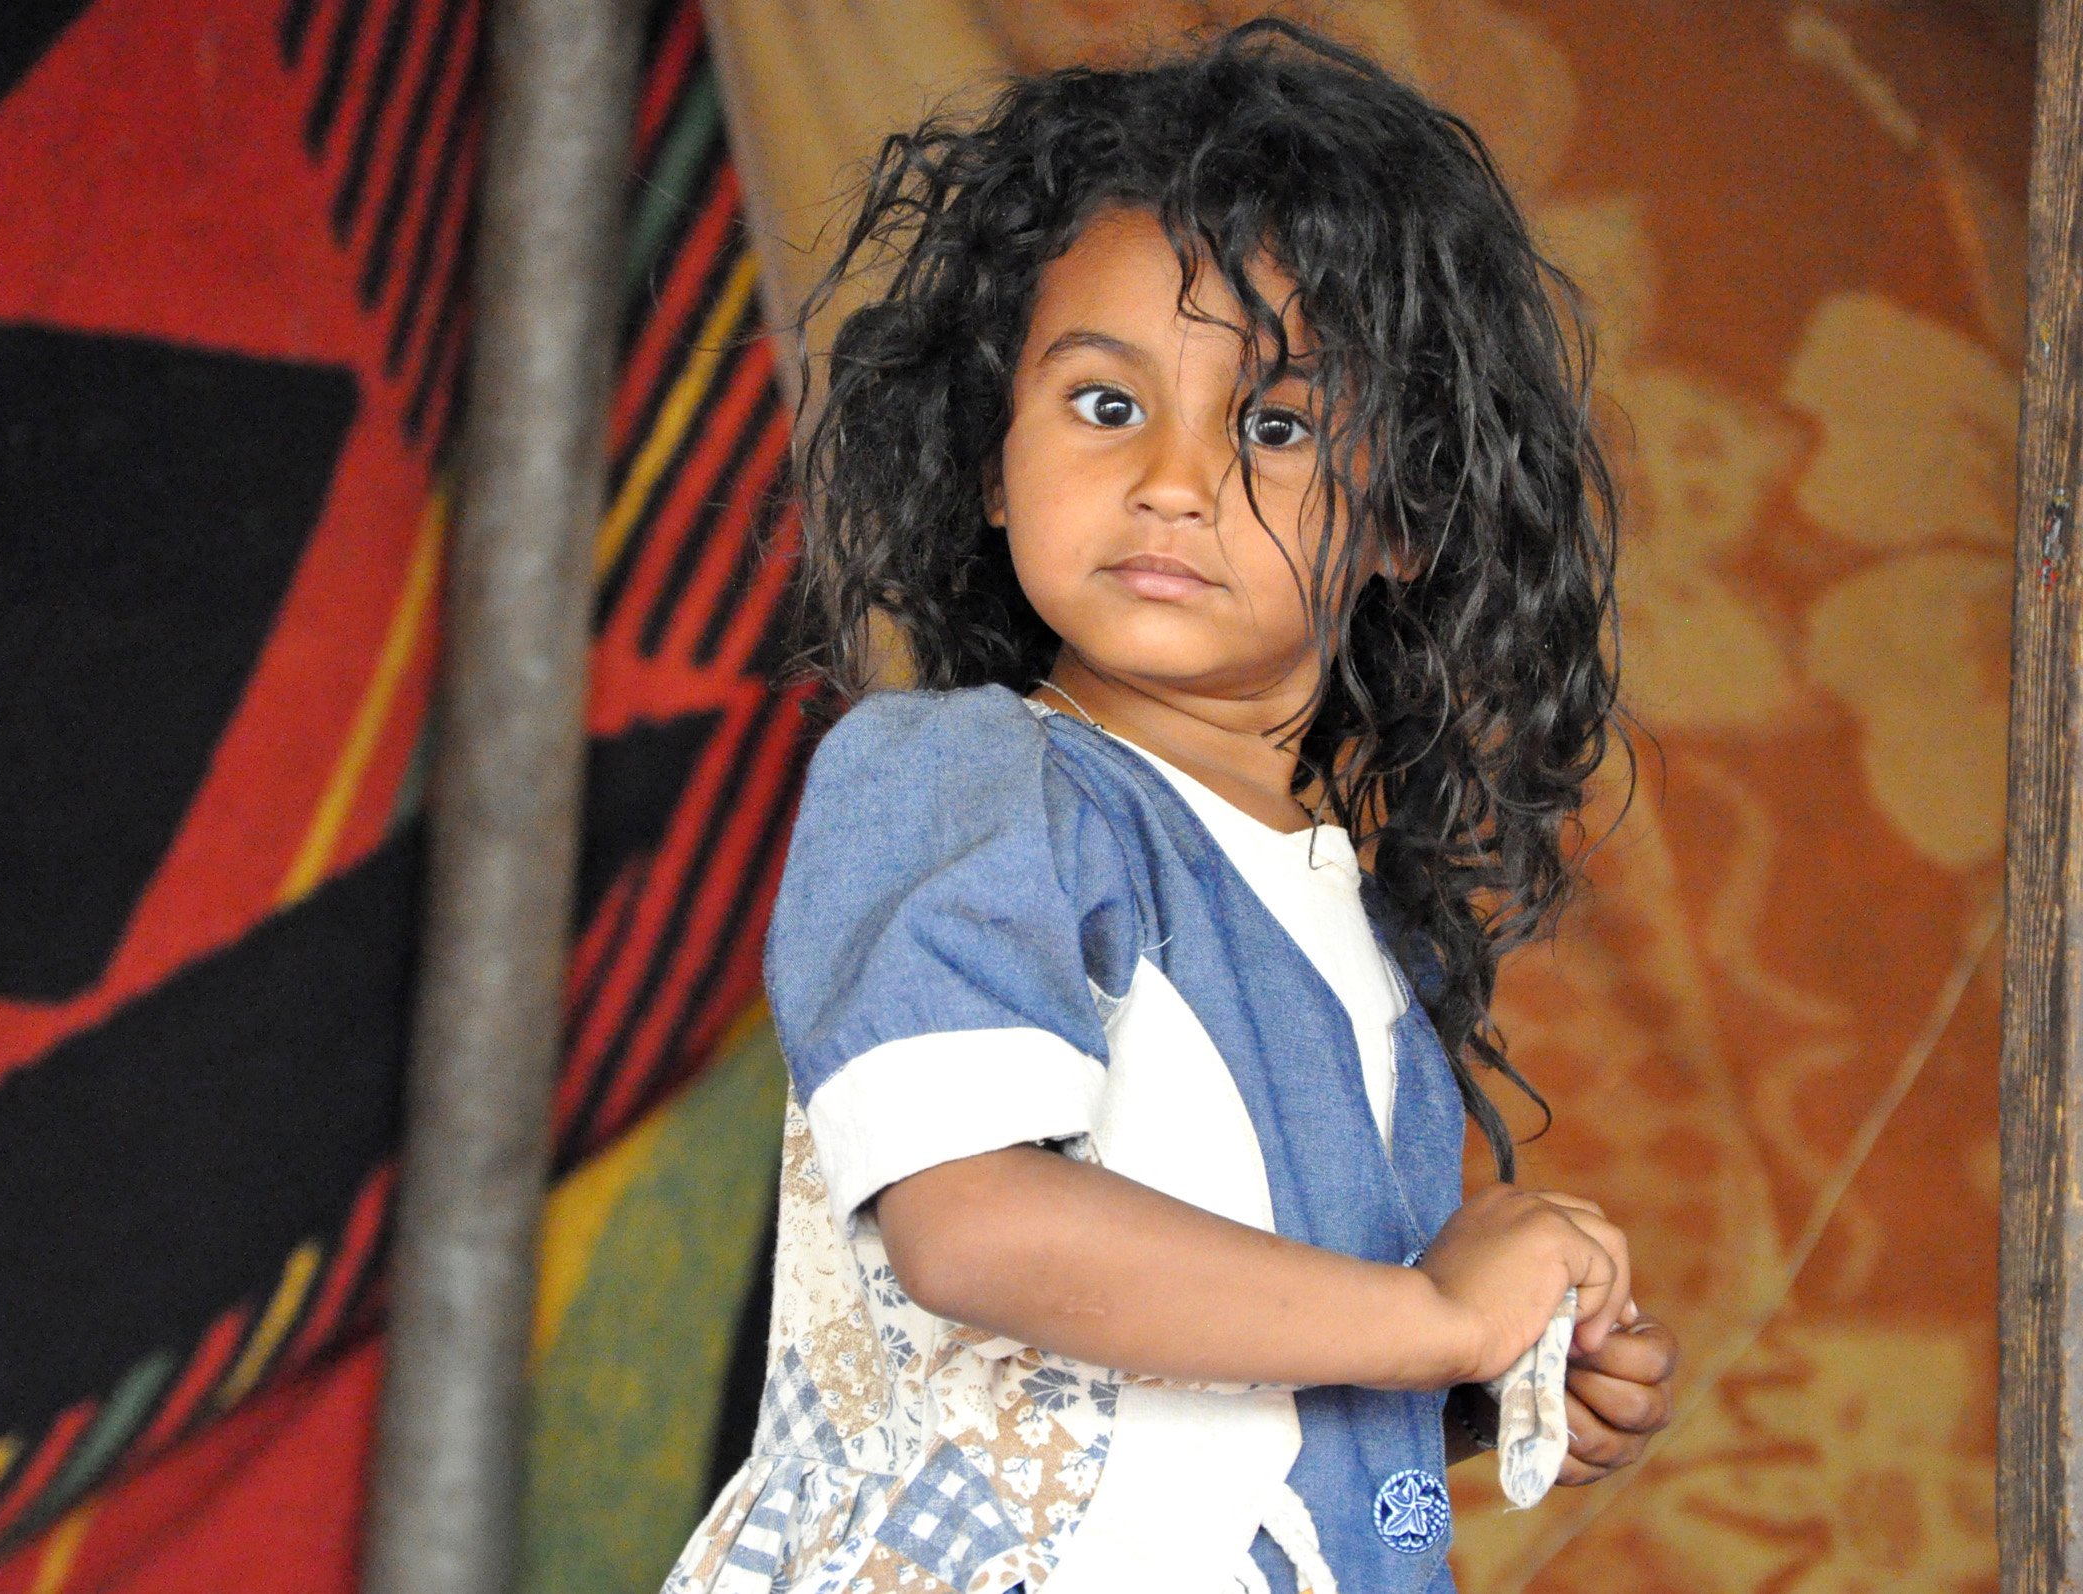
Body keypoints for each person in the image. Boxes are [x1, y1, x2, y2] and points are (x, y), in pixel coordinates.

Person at [668, 18, 1679, 1593]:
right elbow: (976, 1229)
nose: (1174, 480)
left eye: (1272, 426)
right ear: (994, 459)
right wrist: (1426, 1317)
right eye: (1102, 403)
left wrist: (1481, 1384)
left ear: (1403, 516)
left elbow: (1239, 1382)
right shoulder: (966, 779)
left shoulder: (1360, 950)